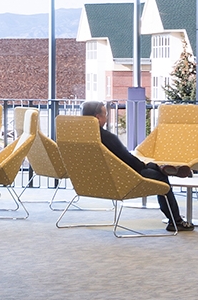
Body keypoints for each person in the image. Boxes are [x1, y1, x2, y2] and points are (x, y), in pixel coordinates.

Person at [82, 99, 192, 232]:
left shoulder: (80, 137)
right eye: (105, 115)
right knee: (161, 178)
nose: (106, 118)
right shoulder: (107, 138)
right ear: (97, 118)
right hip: (123, 178)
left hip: (94, 179)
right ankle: (176, 221)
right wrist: (144, 166)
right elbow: (128, 160)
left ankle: (161, 168)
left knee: (152, 168)